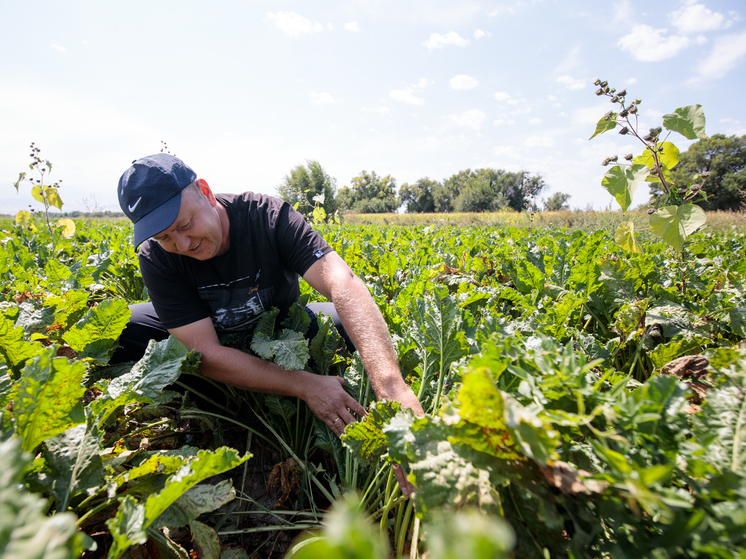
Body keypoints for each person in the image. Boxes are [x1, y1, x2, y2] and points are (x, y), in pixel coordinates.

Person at [116, 153, 423, 494]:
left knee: (351, 325)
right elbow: (204, 351)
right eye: (165, 238)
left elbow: (342, 281)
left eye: (185, 225)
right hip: (206, 332)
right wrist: (306, 384)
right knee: (126, 328)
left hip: (278, 330)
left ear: (205, 191)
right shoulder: (156, 256)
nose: (183, 245)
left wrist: (391, 387)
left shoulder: (267, 216)